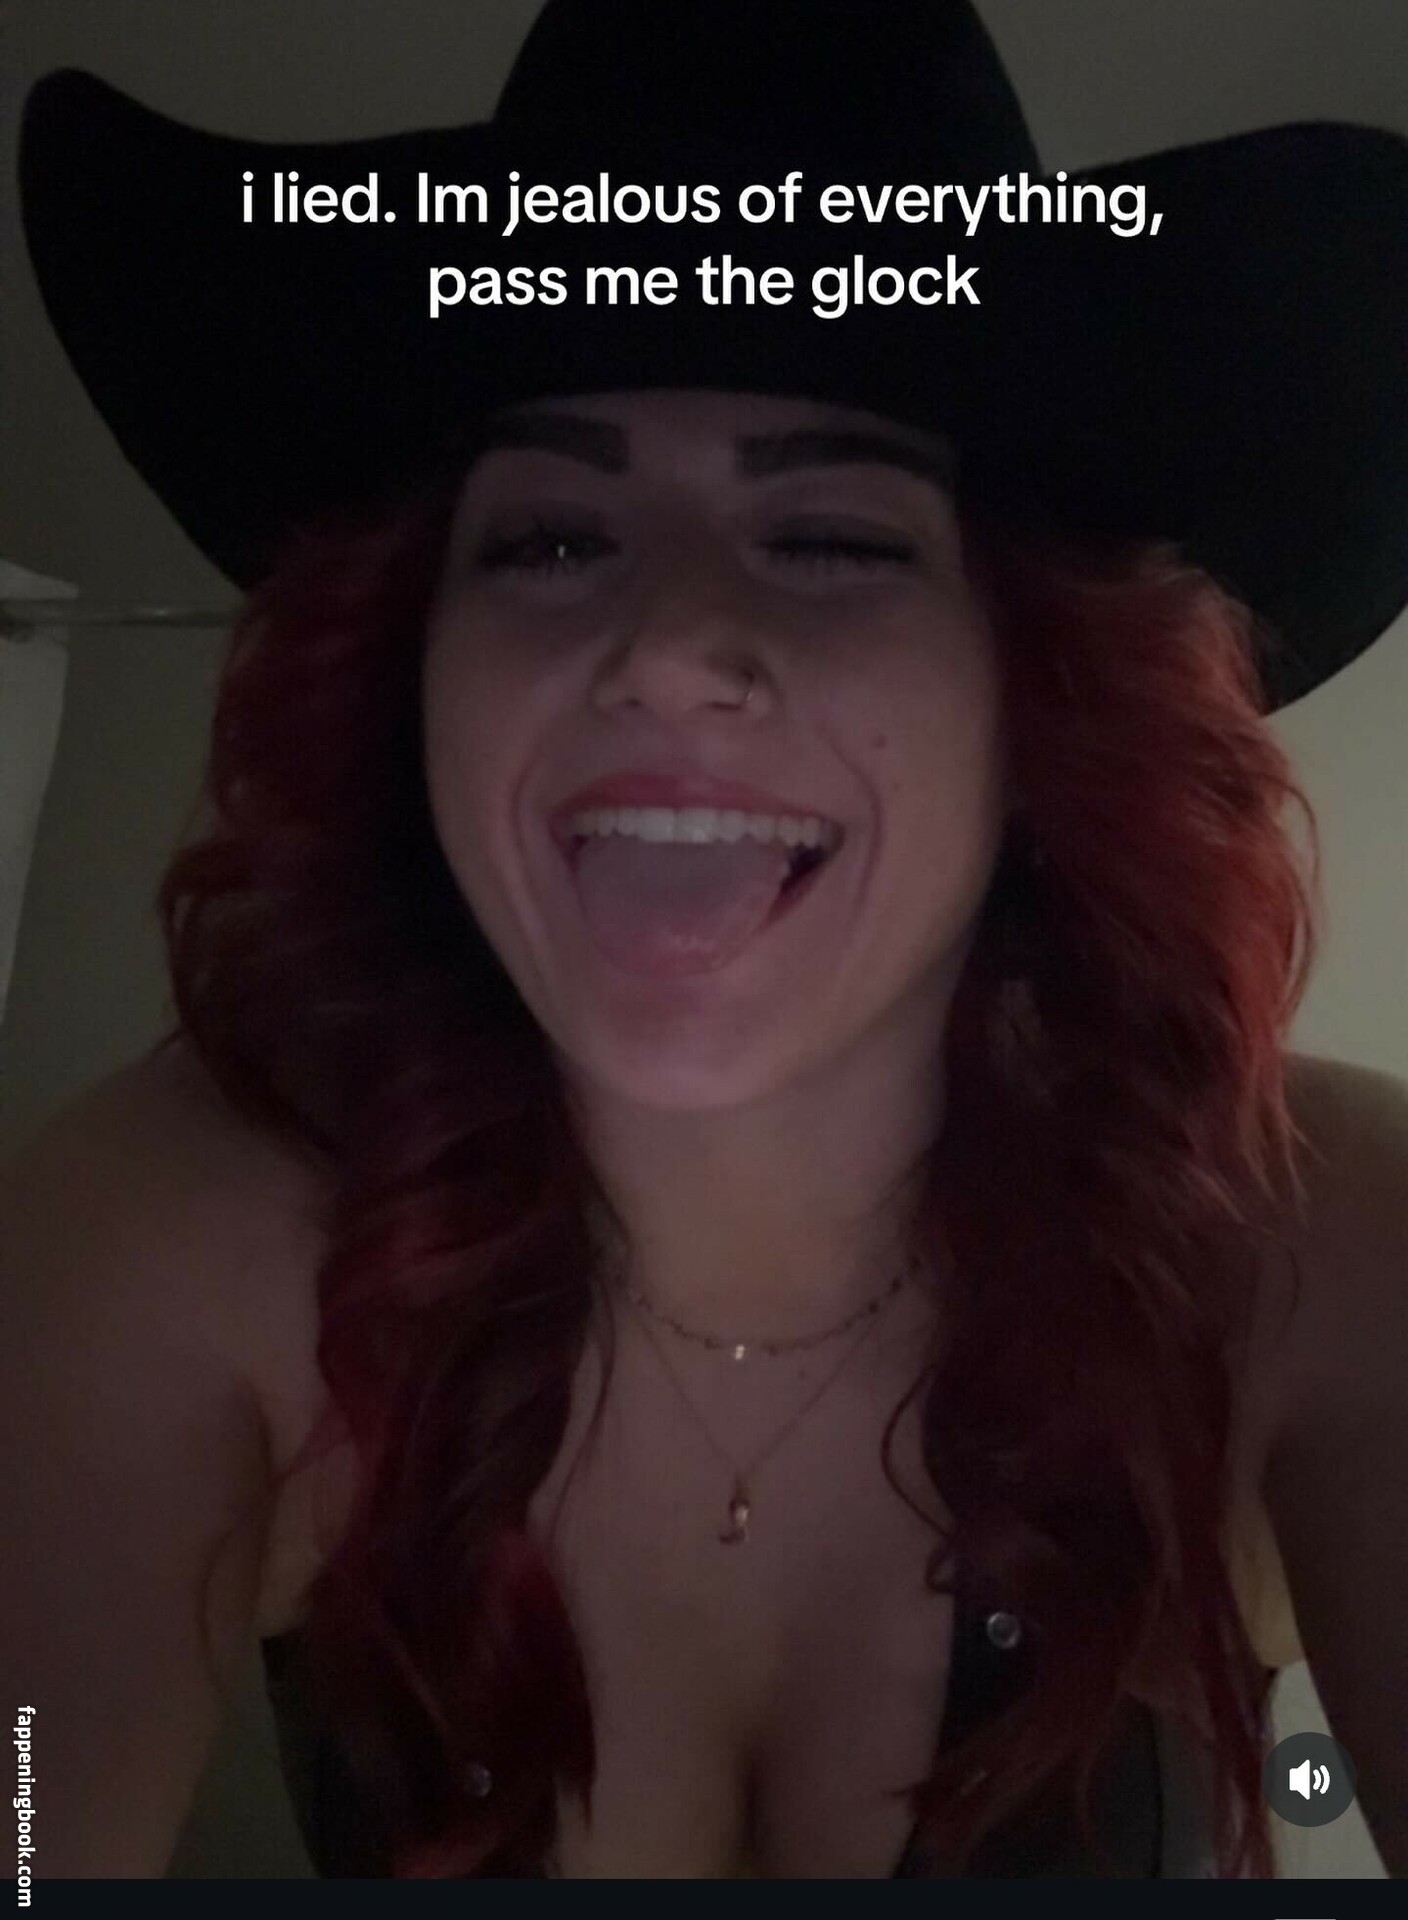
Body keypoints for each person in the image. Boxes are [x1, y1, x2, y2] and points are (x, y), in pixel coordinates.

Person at [6, 0, 1408, 1882]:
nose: (665, 647)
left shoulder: (1319, 1252)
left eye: (832, 537)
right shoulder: (173, 1240)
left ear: (1042, 694)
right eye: (549, 542)